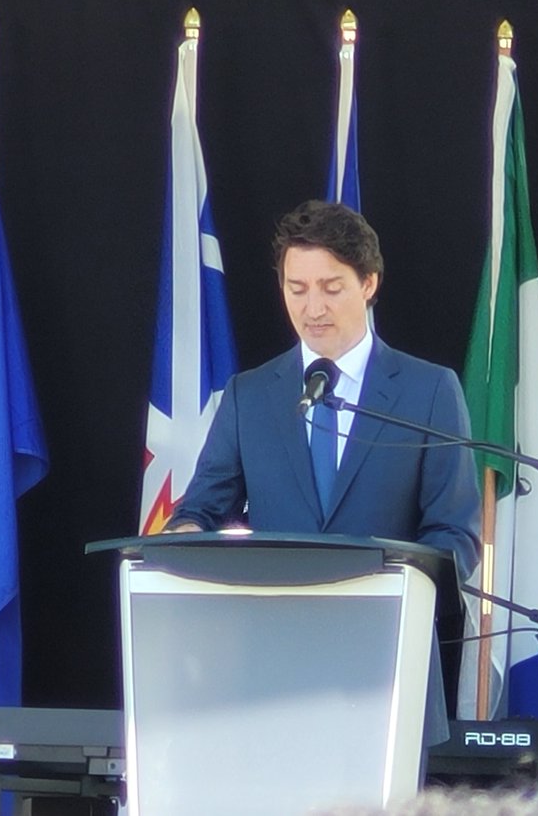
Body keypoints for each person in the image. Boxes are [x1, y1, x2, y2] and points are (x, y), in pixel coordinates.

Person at [165, 200, 483, 743]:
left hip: (387, 668)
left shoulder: (428, 391)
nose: (313, 307)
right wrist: (187, 537)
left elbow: (456, 535)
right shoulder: (252, 395)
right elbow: (198, 509)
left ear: (369, 283)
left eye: (331, 287)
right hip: (267, 677)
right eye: (297, 288)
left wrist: (384, 580)